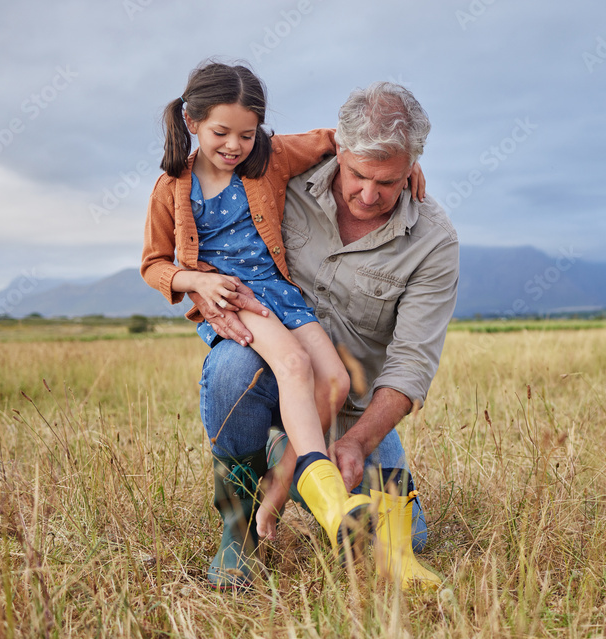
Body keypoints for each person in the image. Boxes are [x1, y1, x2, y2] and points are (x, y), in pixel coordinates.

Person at [141, 62, 425, 589]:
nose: (233, 145)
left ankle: (276, 492)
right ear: (191, 120)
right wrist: (195, 284)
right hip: (233, 296)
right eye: (221, 132)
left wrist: (401, 169)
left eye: (247, 134)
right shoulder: (171, 187)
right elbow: (154, 263)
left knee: (336, 380)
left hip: (280, 293)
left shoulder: (267, 160)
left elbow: (337, 141)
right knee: (293, 365)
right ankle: (321, 504)